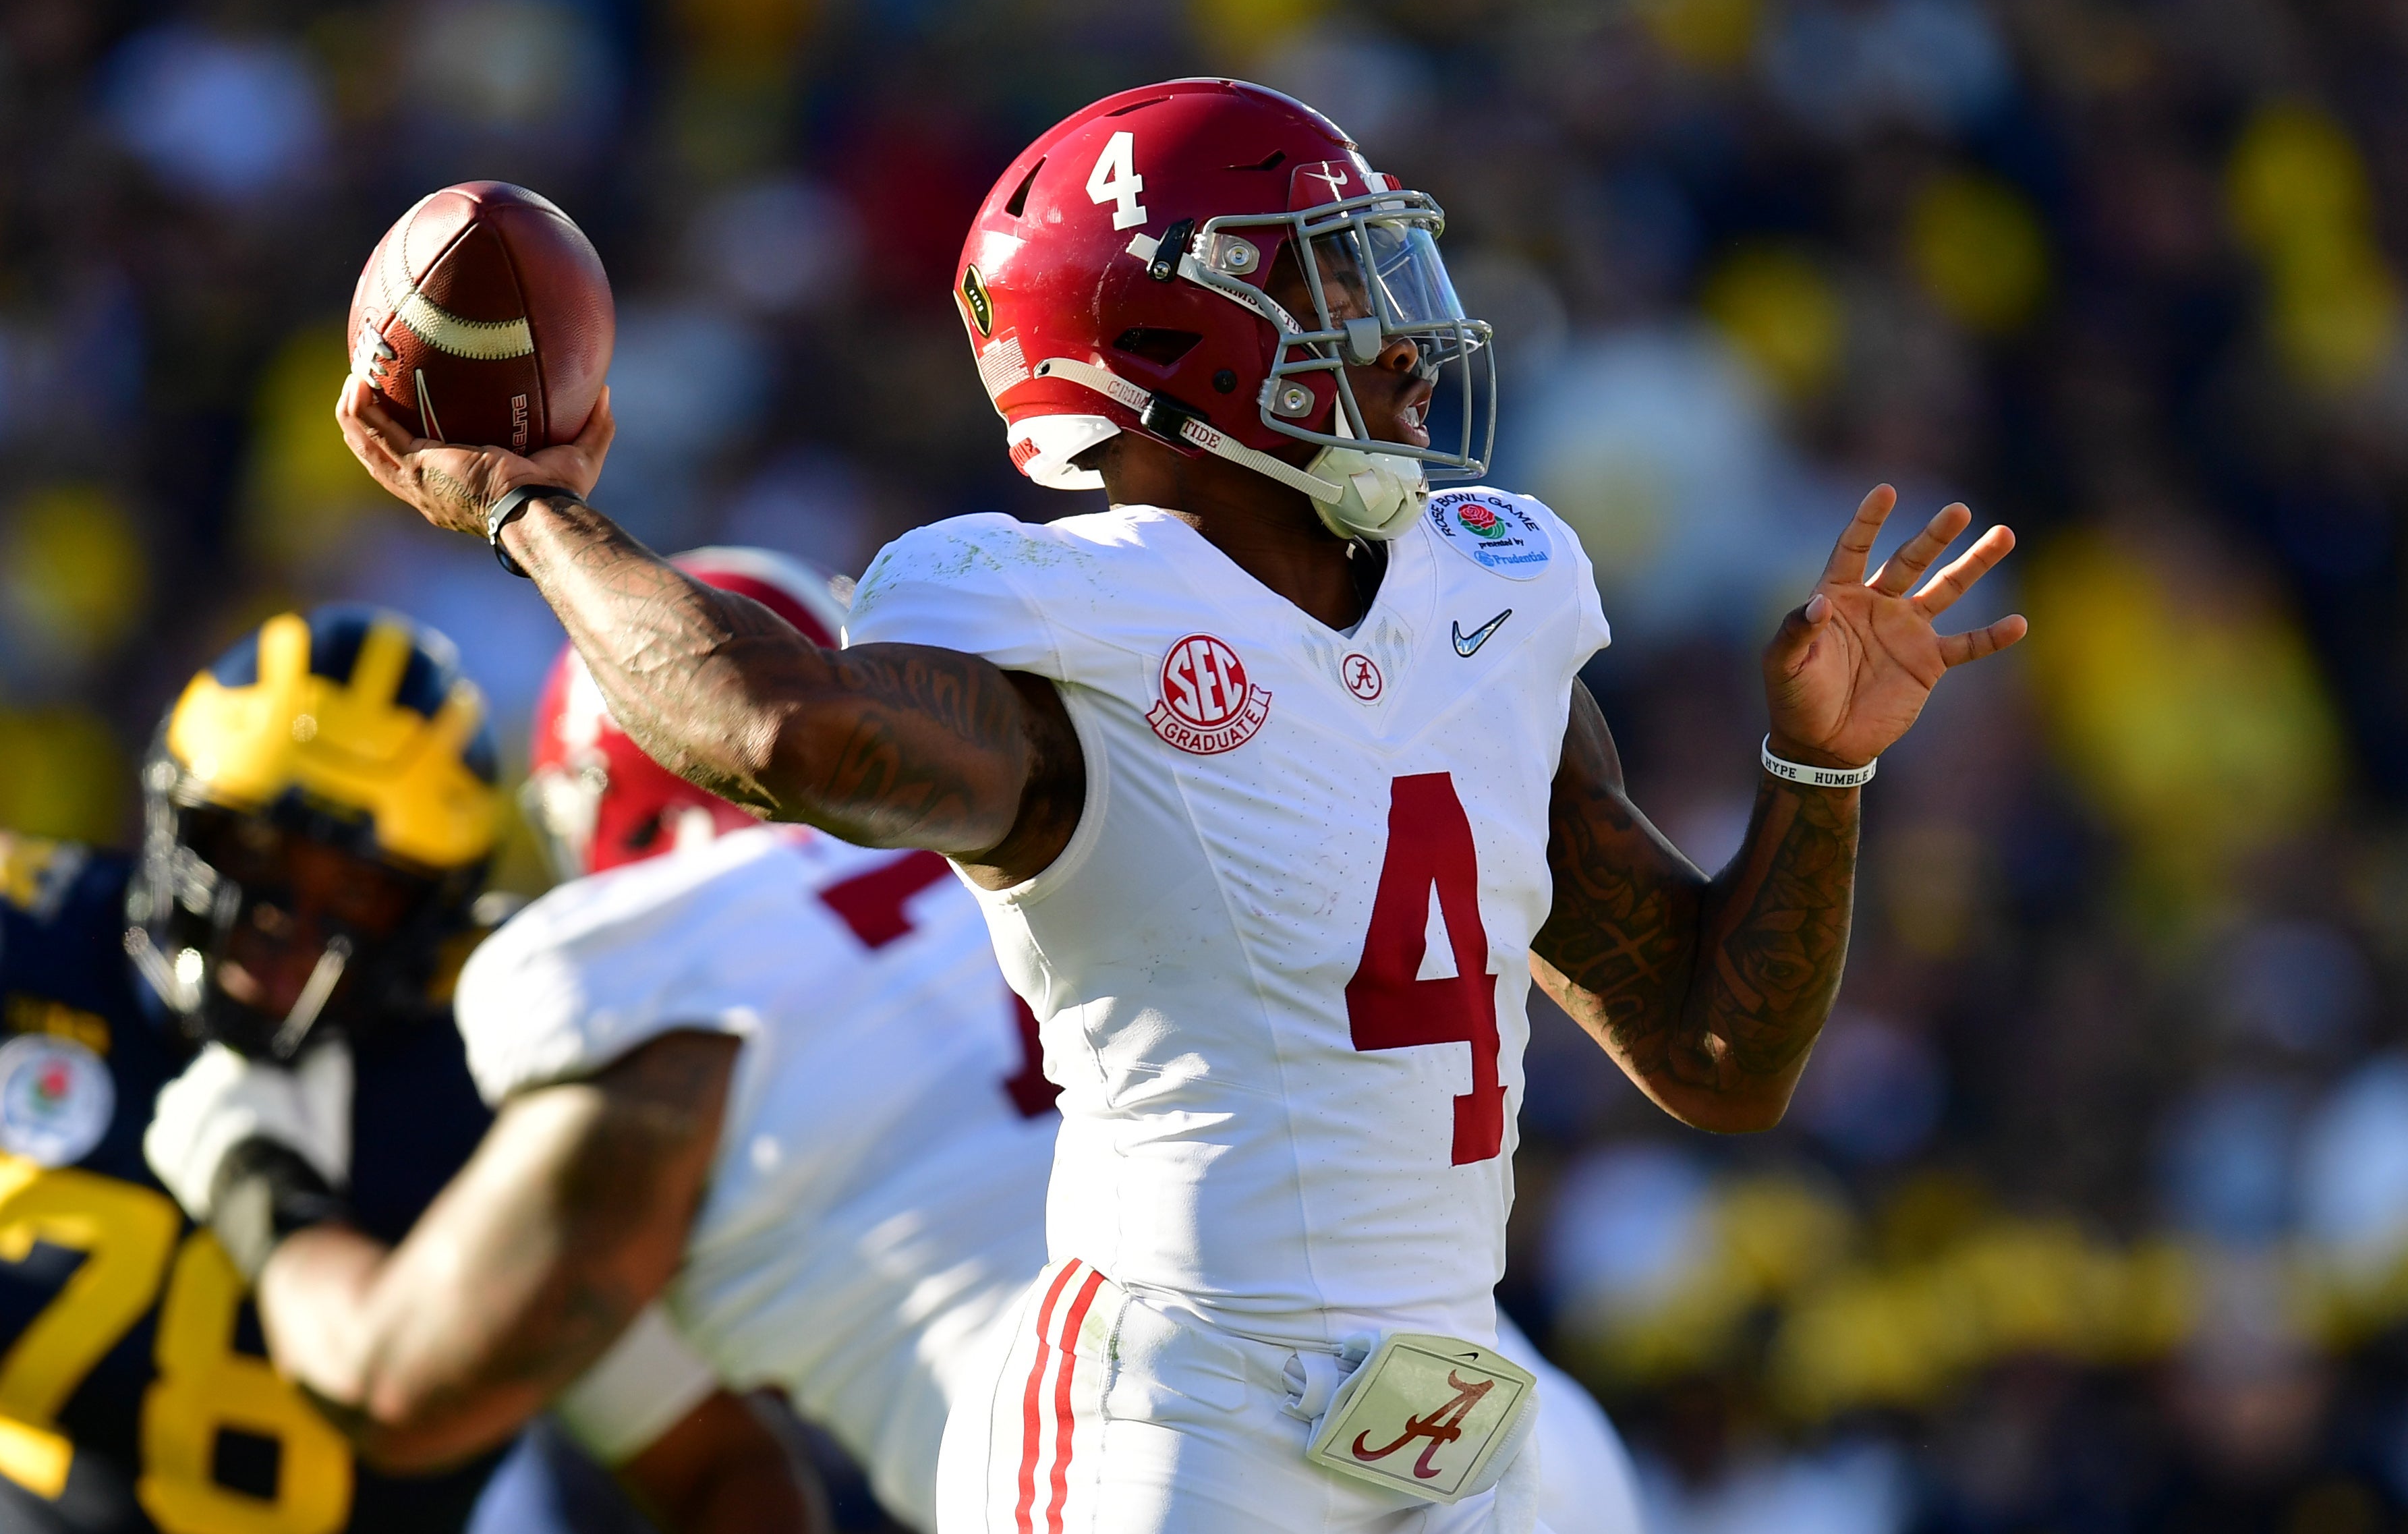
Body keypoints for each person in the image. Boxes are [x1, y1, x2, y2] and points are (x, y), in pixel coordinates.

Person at [335, 78, 2024, 1533]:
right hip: (1175, 1422)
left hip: (1451, 1416)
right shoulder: (1071, 621)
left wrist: (1818, 773)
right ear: (1162, 338)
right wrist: (525, 506)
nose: (1400, 324)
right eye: (1329, 277)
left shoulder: (1488, 598)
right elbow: (776, 730)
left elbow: (1718, 1056)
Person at [148, 547, 1644, 1534]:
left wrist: (246, 1161)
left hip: (1161, 1467)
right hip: (1507, 1434)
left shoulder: (656, 958)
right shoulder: (1068, 832)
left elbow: (400, 1379)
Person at [0, 603, 797, 1534]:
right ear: (177, 816)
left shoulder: (489, 1093)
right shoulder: (30, 941)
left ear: (438, 917)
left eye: (361, 890)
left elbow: (714, 1464)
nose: (286, 930)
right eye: (256, 849)